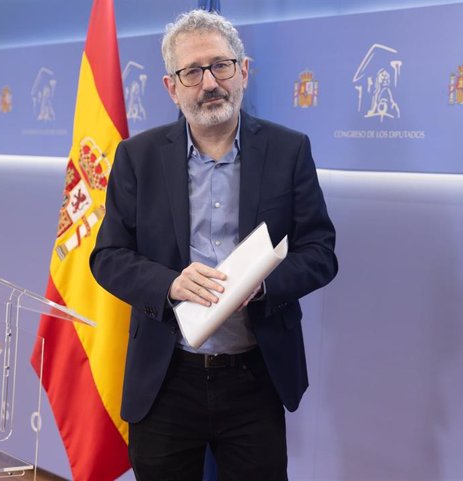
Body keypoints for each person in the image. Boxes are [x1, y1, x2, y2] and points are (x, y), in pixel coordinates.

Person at [90, 9, 338, 481]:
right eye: (192, 71)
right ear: (171, 87)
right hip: (166, 376)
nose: (210, 83)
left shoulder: (290, 151)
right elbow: (108, 257)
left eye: (221, 66)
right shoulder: (137, 157)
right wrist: (170, 284)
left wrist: (264, 285)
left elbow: (320, 251)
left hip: (255, 375)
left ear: (243, 71)